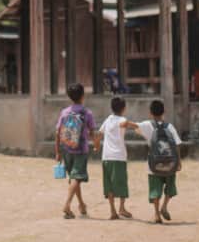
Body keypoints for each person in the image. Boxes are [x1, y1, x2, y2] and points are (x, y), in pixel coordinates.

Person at [136, 99, 183, 224]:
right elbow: (177, 144)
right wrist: (178, 161)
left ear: (150, 113)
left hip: (153, 164)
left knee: (155, 189)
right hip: (170, 163)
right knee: (170, 186)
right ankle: (164, 206)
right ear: (164, 112)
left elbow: (134, 126)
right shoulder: (170, 126)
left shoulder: (147, 125)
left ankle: (157, 214)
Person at [54, 82, 96, 219]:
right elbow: (92, 132)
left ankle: (82, 205)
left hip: (66, 149)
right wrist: (96, 143)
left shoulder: (64, 112)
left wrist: (58, 151)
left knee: (74, 178)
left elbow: (58, 132)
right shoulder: (87, 113)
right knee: (76, 178)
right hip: (81, 149)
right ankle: (67, 205)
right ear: (83, 96)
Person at [94, 96, 138, 219]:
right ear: (124, 108)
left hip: (106, 157)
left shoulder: (108, 120)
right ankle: (121, 208)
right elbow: (129, 125)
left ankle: (113, 211)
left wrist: (96, 147)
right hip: (119, 156)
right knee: (121, 183)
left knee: (109, 184)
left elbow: (99, 135)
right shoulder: (123, 119)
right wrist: (138, 126)